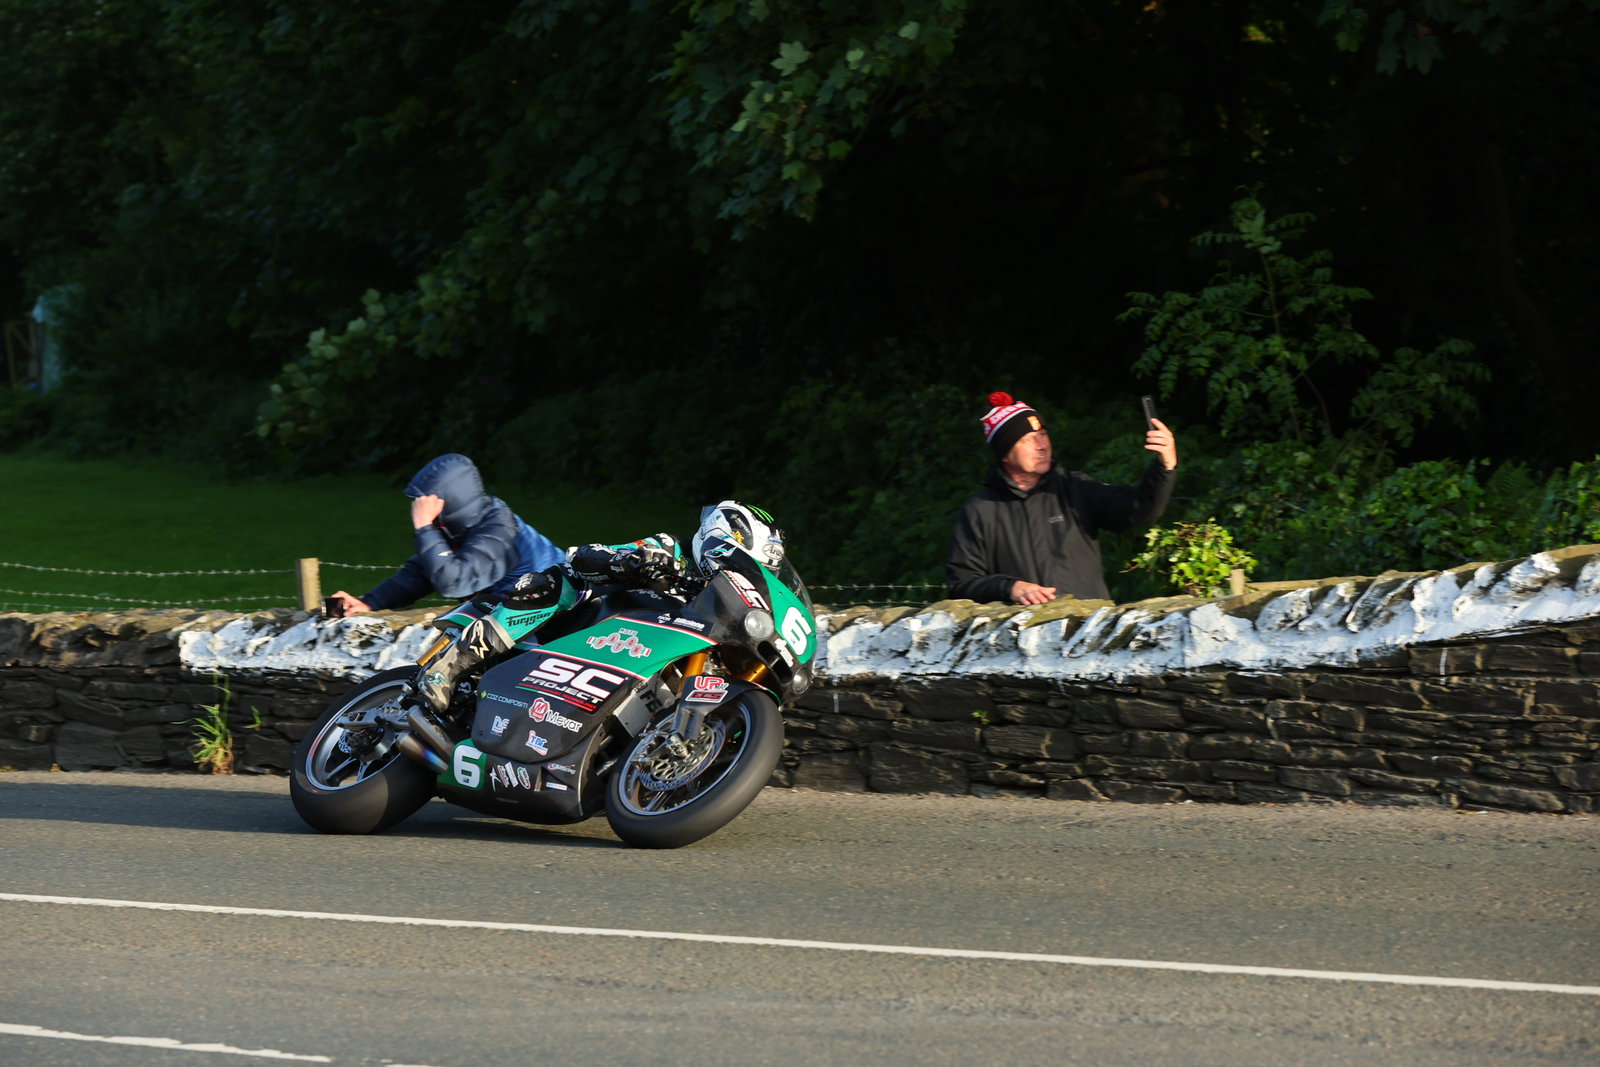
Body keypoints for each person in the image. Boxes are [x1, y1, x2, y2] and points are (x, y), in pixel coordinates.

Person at [411, 500, 782, 714]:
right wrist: (636, 562)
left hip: (634, 657)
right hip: (586, 625)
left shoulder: (724, 601)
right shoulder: (673, 549)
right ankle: (452, 664)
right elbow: (588, 556)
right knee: (563, 580)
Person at [946, 391, 1178, 605]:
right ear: (1005, 453)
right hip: (1022, 643)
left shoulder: (1076, 488)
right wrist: (1009, 588)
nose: (1042, 446)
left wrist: (1164, 467)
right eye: (1028, 440)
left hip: (1087, 634)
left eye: (1043, 434)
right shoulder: (979, 510)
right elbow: (962, 584)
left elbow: (1139, 511)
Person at [326, 453, 564, 616]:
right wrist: (370, 602)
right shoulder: (466, 525)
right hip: (519, 615)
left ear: (449, 502)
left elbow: (454, 583)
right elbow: (422, 572)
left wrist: (424, 527)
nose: (421, 511)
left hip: (560, 613)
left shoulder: (499, 529)